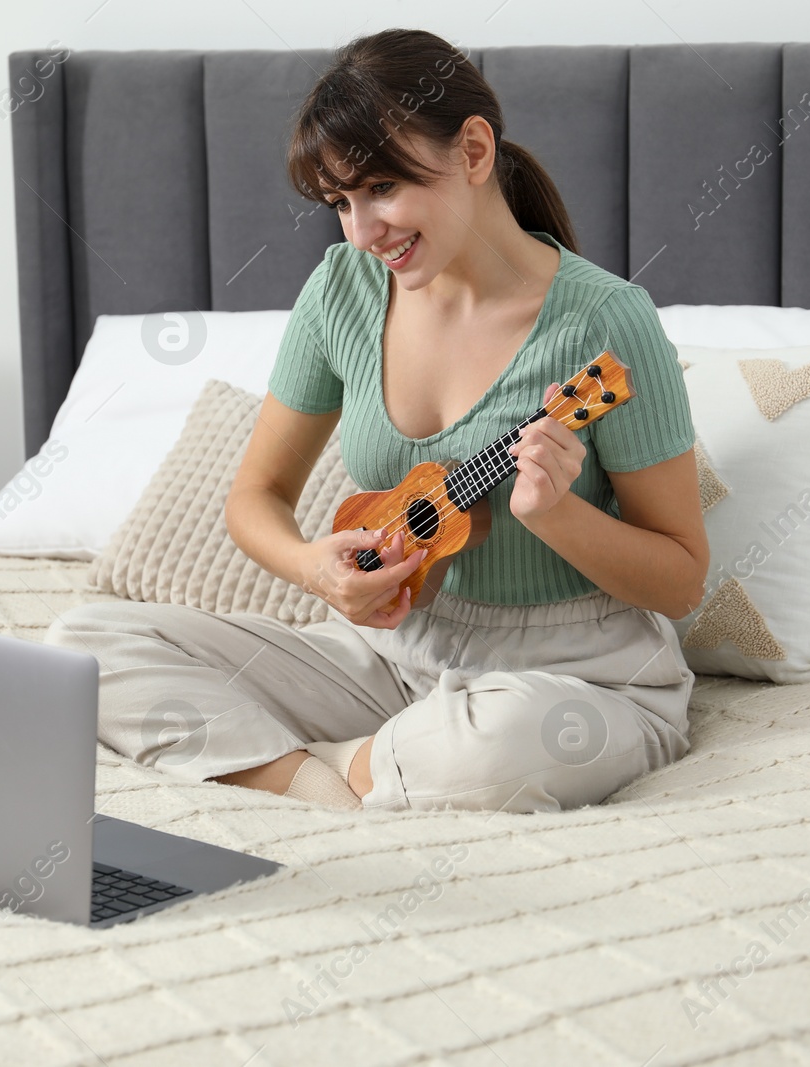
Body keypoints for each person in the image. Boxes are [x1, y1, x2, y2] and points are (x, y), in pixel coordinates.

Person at [43, 27, 708, 815]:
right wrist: (314, 570)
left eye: (382, 190)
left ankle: (301, 765)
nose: (363, 232)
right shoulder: (343, 291)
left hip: (577, 673)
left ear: (472, 150)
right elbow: (256, 495)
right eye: (341, 203)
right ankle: (339, 776)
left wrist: (557, 515)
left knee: (496, 746)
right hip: (390, 657)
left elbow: (682, 579)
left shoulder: (607, 323)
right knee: (83, 646)